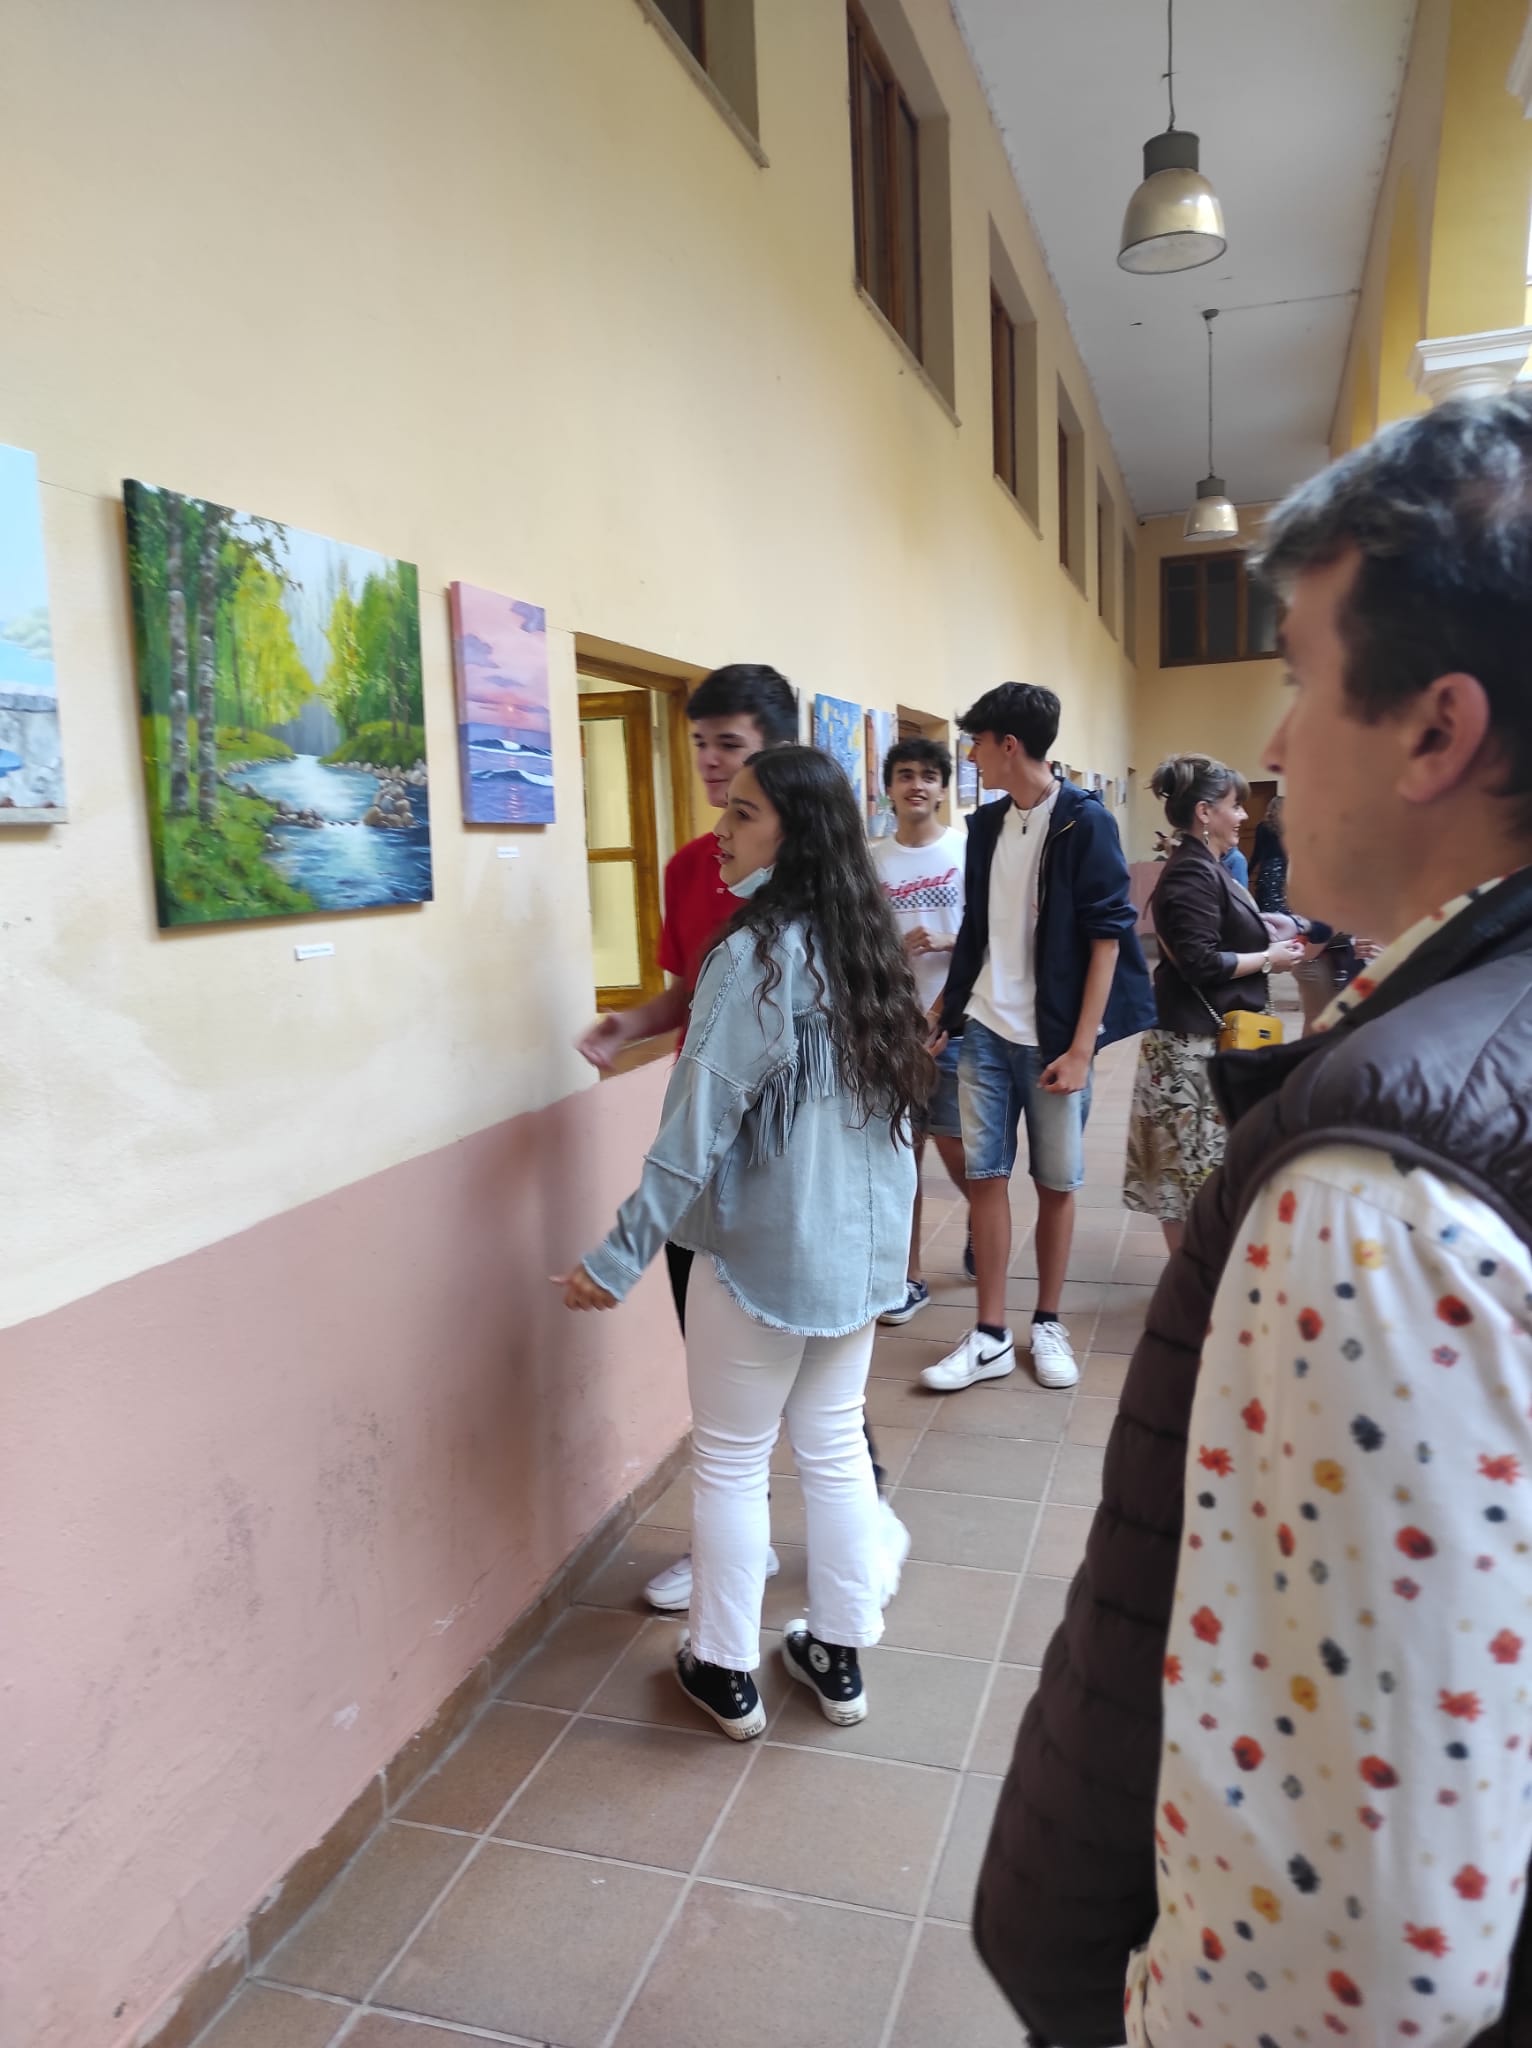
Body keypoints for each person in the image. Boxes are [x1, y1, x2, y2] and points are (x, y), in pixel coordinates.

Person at [975, 392, 1532, 2046]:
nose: (1274, 752)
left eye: (1295, 677)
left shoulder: (1375, 1195)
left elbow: (1355, 1938)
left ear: (1436, 730)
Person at [559, 745, 927, 1739]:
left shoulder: (752, 952)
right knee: (833, 1450)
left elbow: (694, 1127)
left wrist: (618, 1255)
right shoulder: (870, 940)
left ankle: (723, 1664)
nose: (719, 828)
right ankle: (837, 1655)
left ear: (793, 833)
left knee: (730, 1459)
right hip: (855, 1259)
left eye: (743, 812)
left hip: (761, 1254)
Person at [923, 683, 1154, 1395]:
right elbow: (978, 930)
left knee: (1055, 1185)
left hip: (1054, 1039)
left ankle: (1045, 1322)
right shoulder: (987, 826)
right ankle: (991, 1335)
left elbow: (1108, 938)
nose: (972, 757)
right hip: (989, 1033)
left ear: (1008, 745)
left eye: (978, 744)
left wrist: (1083, 1047)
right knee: (986, 1179)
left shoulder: (1084, 823)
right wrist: (948, 1008)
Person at [1123, 755, 1306, 1254]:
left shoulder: (1207, 867)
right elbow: (1201, 962)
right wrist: (1268, 958)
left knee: (1203, 1171)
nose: (1243, 816)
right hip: (1192, 1051)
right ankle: (1193, 1280)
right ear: (1205, 812)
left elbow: (1213, 933)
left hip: (1208, 1045)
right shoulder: (1190, 873)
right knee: (1188, 1179)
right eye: (1234, 806)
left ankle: (1199, 1278)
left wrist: (1265, 928)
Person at [871, 737, 970, 1323]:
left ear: (941, 788)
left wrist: (948, 940)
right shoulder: (872, 859)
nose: (917, 785)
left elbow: (990, 933)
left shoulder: (965, 851)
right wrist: (889, 948)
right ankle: (908, 1275)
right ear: (889, 787)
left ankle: (983, 1227)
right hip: (893, 1031)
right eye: (905, 774)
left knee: (960, 1152)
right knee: (902, 1156)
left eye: (929, 776)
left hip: (957, 1025)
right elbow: (854, 941)